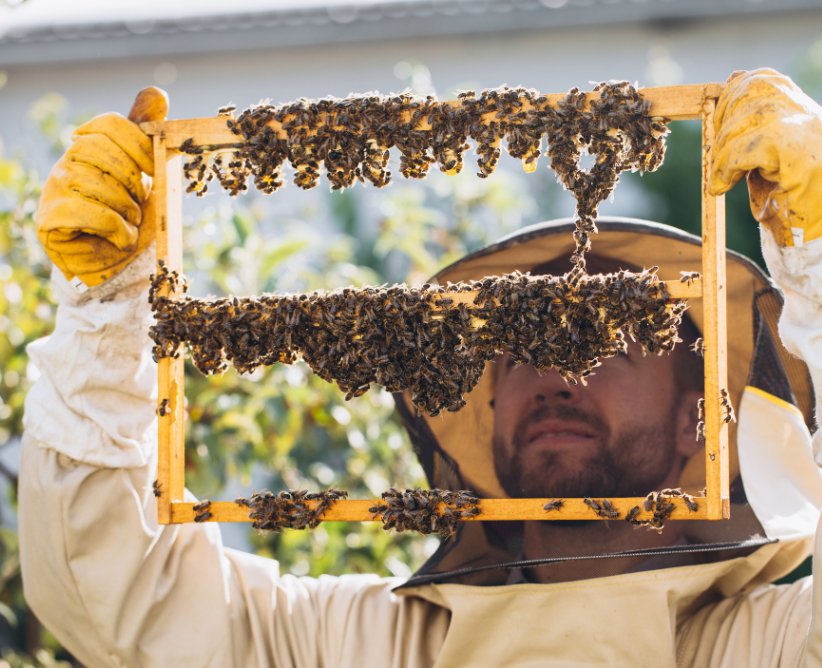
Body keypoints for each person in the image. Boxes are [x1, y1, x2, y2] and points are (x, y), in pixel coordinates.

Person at [17, 68, 822, 666]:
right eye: (518, 347)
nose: (553, 374)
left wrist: (817, 260)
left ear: (698, 417)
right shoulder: (352, 643)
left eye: (603, 339)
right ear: (485, 406)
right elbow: (120, 598)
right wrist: (108, 309)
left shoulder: (770, 645)